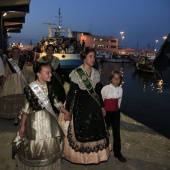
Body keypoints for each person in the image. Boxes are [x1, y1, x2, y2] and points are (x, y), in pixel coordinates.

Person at [12, 62, 71, 170]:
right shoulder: (30, 89)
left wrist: (65, 111)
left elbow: (56, 103)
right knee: (35, 144)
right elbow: (25, 109)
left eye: (51, 72)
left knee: (50, 142)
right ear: (38, 74)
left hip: (48, 119)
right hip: (34, 121)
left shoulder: (50, 86)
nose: (51, 75)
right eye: (47, 72)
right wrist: (22, 126)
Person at [62, 47, 110, 164]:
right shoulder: (76, 73)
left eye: (94, 56)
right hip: (81, 108)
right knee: (82, 132)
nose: (93, 59)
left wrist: (102, 106)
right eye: (90, 56)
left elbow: (98, 92)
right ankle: (81, 158)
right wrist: (67, 111)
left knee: (96, 133)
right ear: (83, 58)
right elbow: (71, 94)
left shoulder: (96, 73)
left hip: (95, 108)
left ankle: (93, 158)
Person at [101, 70, 127, 162]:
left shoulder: (121, 89)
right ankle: (102, 151)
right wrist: (102, 110)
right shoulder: (105, 88)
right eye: (114, 78)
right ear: (111, 79)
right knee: (104, 131)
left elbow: (119, 101)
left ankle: (117, 152)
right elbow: (101, 100)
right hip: (106, 113)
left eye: (118, 79)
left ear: (120, 80)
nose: (116, 80)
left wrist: (118, 109)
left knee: (117, 132)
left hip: (116, 113)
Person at [0, 47, 29, 124]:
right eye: (14, 52)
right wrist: (2, 84)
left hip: (20, 82)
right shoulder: (9, 62)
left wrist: (28, 84)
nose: (16, 54)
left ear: (20, 53)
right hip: (10, 83)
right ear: (11, 53)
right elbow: (5, 74)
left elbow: (25, 74)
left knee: (20, 100)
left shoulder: (23, 62)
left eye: (17, 52)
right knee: (12, 99)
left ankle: (18, 116)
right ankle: (14, 116)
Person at [38, 44, 66, 111]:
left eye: (51, 50)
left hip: (55, 81)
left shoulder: (56, 60)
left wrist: (62, 80)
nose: (50, 51)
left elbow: (59, 71)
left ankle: (56, 110)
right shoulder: (41, 60)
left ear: (53, 51)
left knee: (56, 96)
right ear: (46, 50)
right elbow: (39, 72)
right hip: (45, 80)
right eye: (48, 50)